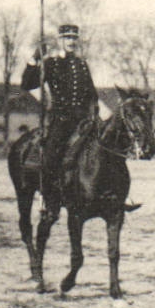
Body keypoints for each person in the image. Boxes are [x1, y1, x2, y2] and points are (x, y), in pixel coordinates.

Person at [22, 22, 99, 202]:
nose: (71, 41)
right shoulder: (52, 63)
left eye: (74, 38)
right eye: (67, 38)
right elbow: (27, 84)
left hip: (83, 120)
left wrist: (94, 112)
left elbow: (91, 93)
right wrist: (35, 60)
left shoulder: (82, 64)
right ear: (60, 41)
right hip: (61, 119)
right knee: (51, 155)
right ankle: (49, 196)